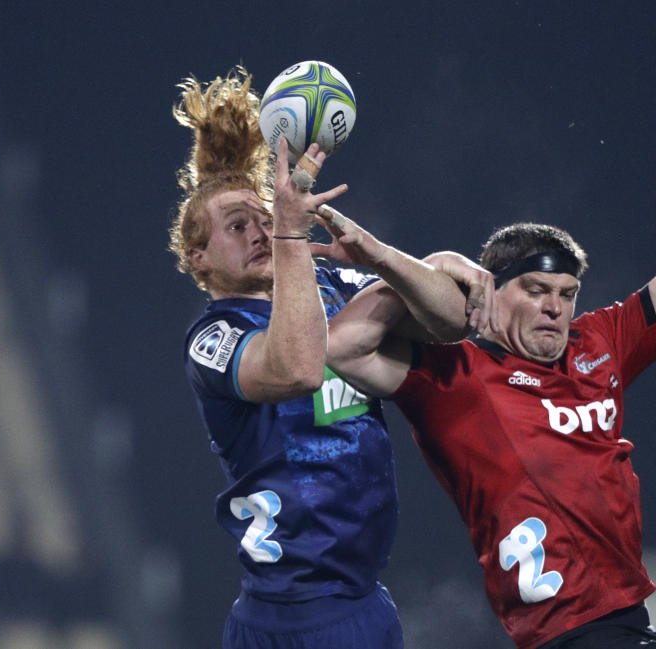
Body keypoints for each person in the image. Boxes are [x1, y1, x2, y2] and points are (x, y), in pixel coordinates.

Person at [325, 44, 656, 649]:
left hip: (625, 624)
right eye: (536, 289)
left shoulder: (601, 342)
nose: (555, 306)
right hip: (566, 634)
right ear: (492, 291)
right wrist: (413, 267)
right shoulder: (455, 377)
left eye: (567, 292)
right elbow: (344, 348)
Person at [168, 67, 493, 649]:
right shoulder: (214, 338)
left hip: (356, 607)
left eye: (265, 220)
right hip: (275, 616)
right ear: (198, 257)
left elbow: (451, 322)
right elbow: (294, 368)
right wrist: (292, 237)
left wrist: (383, 256)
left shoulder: (337, 285)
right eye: (238, 226)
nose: (259, 234)